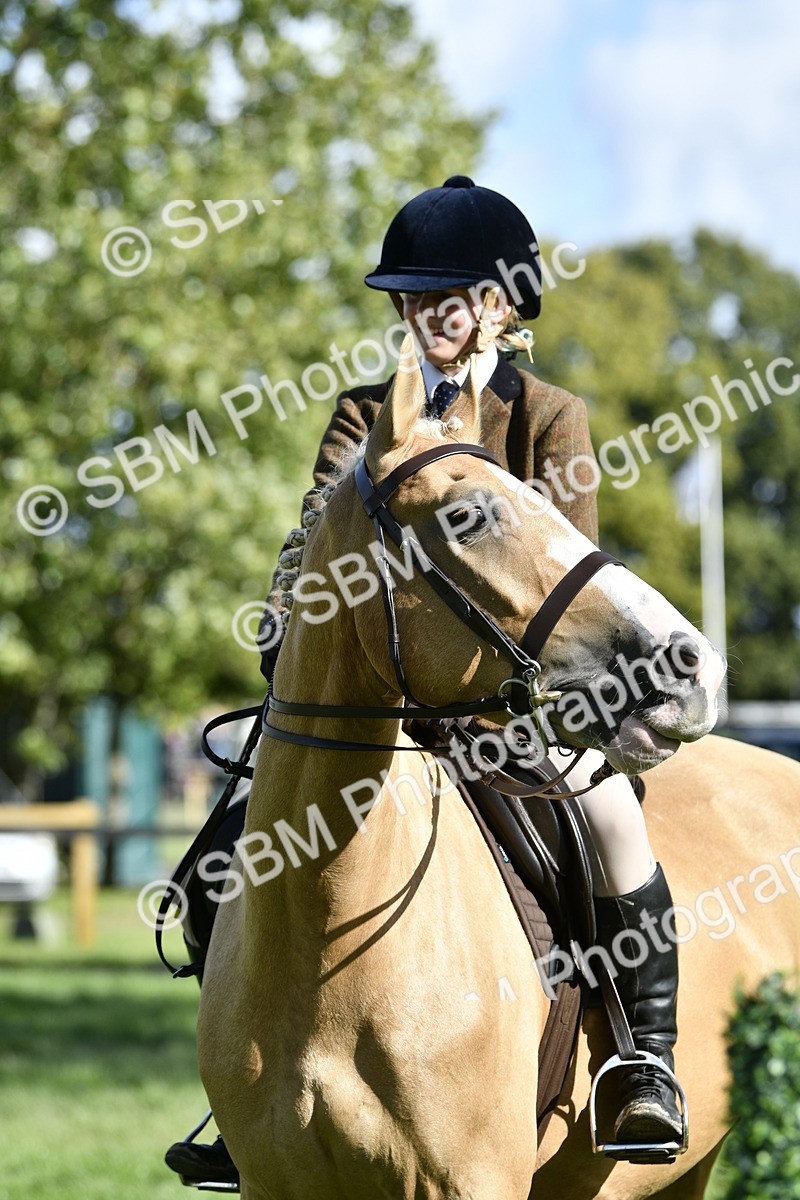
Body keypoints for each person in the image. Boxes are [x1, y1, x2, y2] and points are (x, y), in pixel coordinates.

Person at [166, 176, 684, 1188]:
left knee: (610, 825)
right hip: (374, 699)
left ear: (500, 303)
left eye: (446, 296)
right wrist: (286, 611)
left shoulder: (545, 415)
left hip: (502, 704)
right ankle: (250, 1094)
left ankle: (638, 1063)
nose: (425, 315)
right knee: (222, 856)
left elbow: (565, 563)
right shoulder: (365, 415)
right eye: (410, 298)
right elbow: (314, 531)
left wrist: (522, 683)